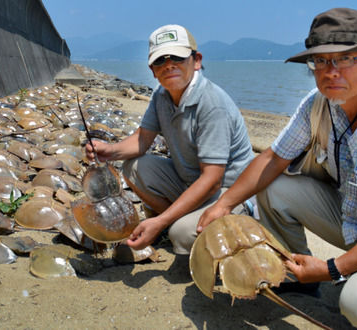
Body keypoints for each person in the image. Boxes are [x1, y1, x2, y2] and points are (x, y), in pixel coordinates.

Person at [198, 8, 357, 330]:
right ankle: (300, 279)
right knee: (273, 187)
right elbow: (274, 159)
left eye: (347, 59)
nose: (331, 72)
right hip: (356, 222)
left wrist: (332, 268)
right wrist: (224, 204)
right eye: (321, 61)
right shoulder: (319, 104)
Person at [85, 24, 254, 255]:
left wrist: (162, 221)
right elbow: (142, 141)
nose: (169, 65)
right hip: (189, 182)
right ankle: (177, 220)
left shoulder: (212, 104)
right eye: (160, 61)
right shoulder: (161, 95)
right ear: (153, 70)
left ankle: (205, 226)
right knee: (134, 166)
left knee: (181, 235)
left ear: (196, 61)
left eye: (177, 57)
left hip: (228, 192)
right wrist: (109, 151)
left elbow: (213, 180)